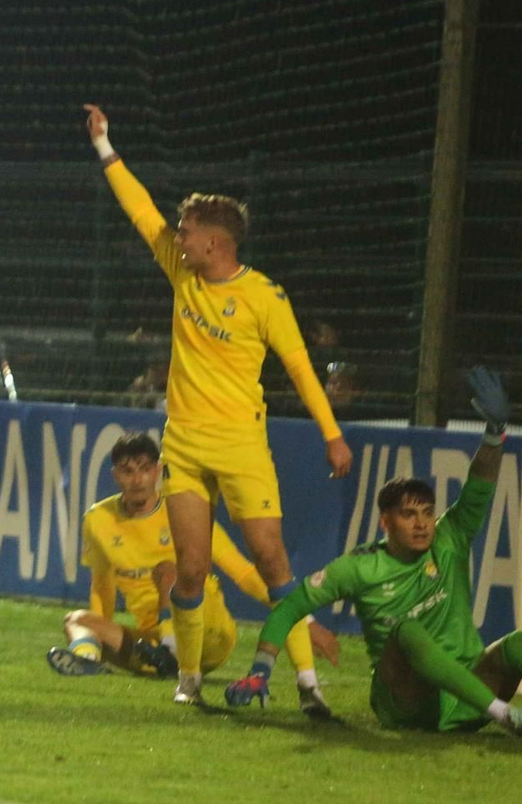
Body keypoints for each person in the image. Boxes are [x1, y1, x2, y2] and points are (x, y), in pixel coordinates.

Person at [83, 103, 351, 705]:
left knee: (271, 561)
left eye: (186, 234)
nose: (176, 239)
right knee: (192, 570)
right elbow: (141, 211)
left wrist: (332, 433)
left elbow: (301, 368)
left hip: (242, 445)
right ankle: (189, 679)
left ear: (214, 242)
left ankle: (308, 686)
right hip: (184, 443)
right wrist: (105, 146)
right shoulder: (182, 271)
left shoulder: (263, 297)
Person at [227, 368, 522, 742]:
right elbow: (290, 605)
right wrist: (261, 669)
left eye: (427, 513)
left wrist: (494, 434)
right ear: (386, 522)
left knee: (519, 642)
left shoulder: (449, 537)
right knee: (406, 632)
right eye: (409, 515)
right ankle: (506, 716)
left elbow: (479, 484)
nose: (422, 524)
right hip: (406, 704)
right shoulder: (361, 566)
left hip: (467, 697)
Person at [47, 431, 337, 718]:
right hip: (150, 646)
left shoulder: (183, 513)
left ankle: (172, 650)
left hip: (209, 635)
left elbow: (244, 573)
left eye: (145, 470)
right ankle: (86, 660)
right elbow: (102, 586)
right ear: (115, 476)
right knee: (77, 619)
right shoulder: (98, 519)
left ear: (159, 471)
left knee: (171, 570)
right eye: (127, 471)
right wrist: (102, 632)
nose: (137, 480)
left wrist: (303, 618)